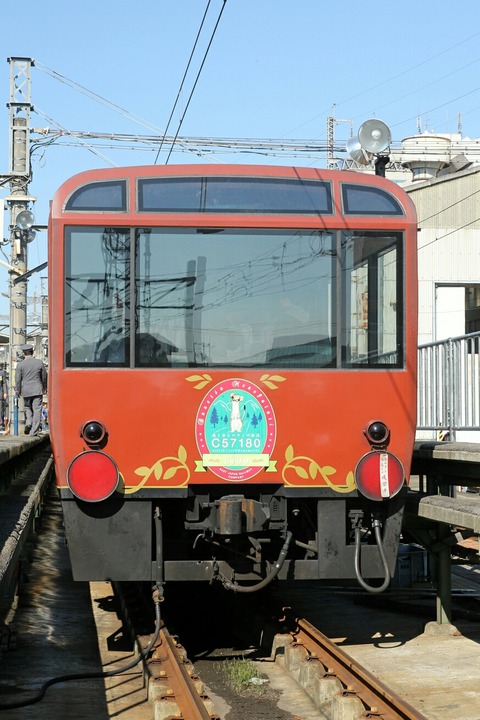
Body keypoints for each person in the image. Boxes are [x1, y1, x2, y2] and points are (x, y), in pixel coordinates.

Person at [15, 344, 48, 437]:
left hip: (26, 390)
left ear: (24, 353)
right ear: (32, 352)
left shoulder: (20, 364)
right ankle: (34, 432)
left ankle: (28, 422)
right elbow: (44, 376)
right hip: (37, 390)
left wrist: (18, 390)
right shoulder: (39, 362)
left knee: (27, 407)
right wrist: (45, 387)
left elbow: (17, 379)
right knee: (37, 410)